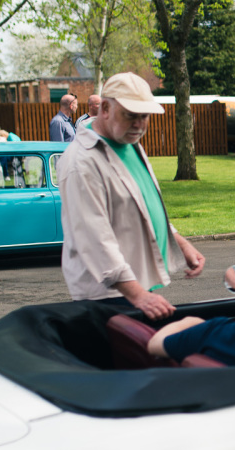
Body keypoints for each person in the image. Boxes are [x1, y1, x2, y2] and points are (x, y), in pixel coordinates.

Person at [57, 72, 205, 320]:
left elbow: (144, 203)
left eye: (144, 116)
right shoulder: (80, 162)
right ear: (104, 108)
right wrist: (138, 295)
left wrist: (181, 242)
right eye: (130, 115)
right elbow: (94, 240)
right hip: (108, 298)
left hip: (136, 288)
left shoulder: (128, 141)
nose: (139, 124)